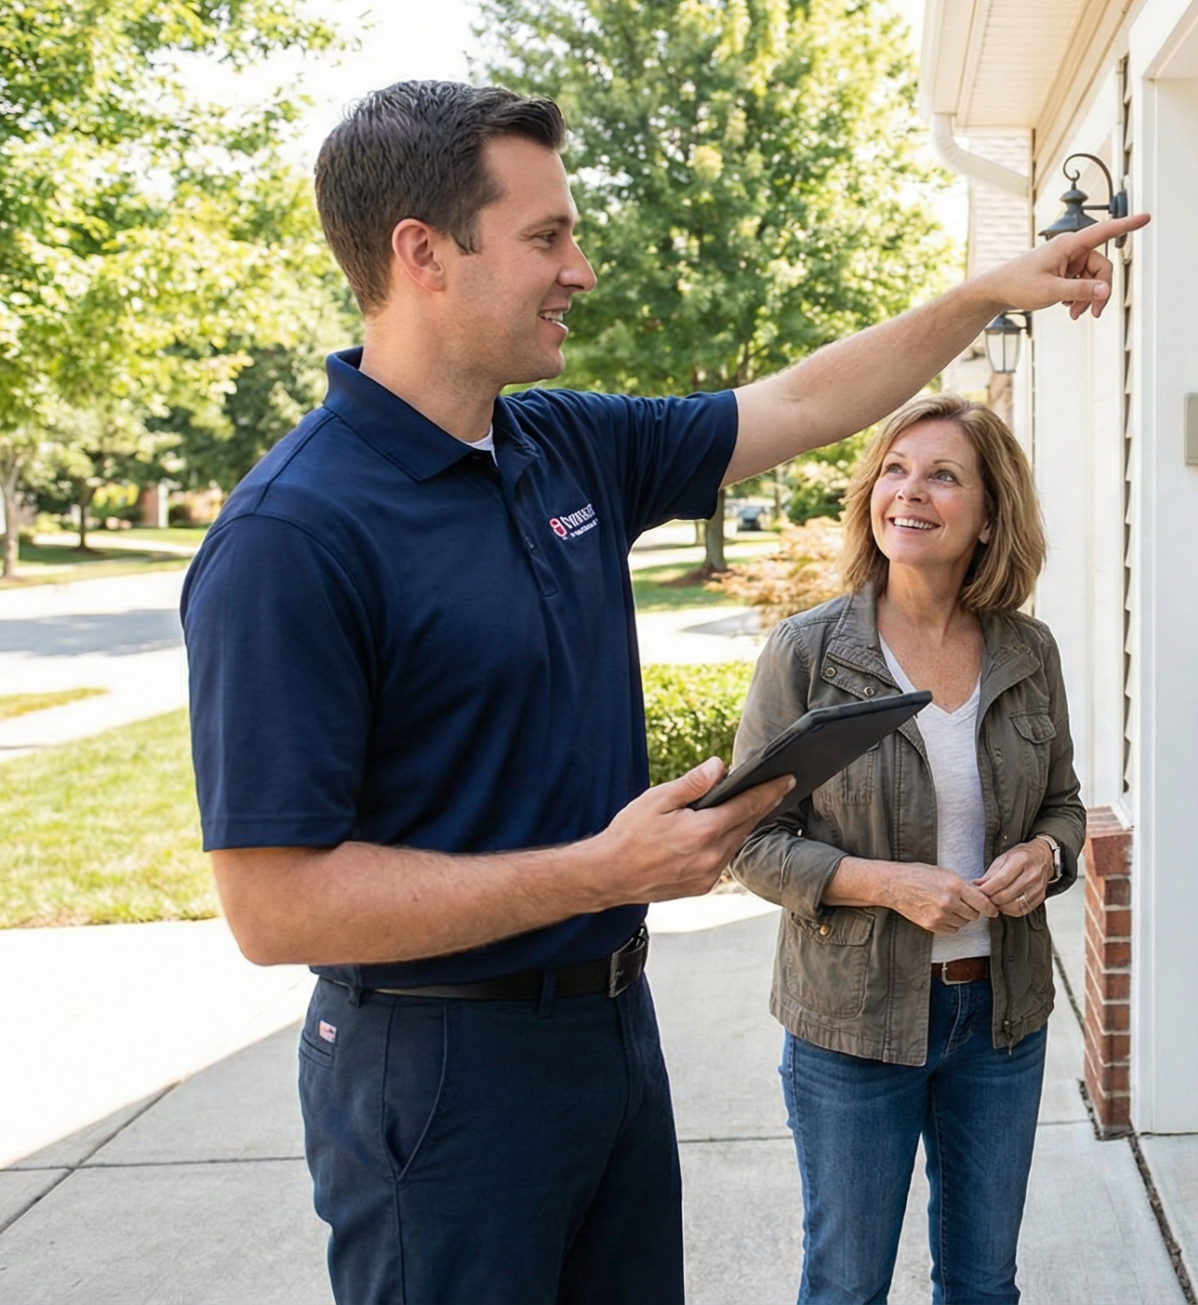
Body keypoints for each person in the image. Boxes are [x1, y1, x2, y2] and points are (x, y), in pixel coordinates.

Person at [181, 79, 1141, 1305]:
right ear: (422, 253)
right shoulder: (293, 536)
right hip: (438, 1069)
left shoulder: (562, 447)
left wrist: (977, 298)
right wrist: (602, 871)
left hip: (609, 1034)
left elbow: (797, 401)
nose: (579, 269)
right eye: (546, 237)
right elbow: (276, 908)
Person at [729, 394, 1084, 1305]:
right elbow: (751, 842)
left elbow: (1065, 809)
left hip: (1000, 1020)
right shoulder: (809, 655)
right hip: (852, 1025)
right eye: (894, 468)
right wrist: (887, 884)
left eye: (942, 474)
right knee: (846, 1286)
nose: (909, 491)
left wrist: (1048, 857)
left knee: (983, 1282)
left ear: (990, 512)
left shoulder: (1027, 651)